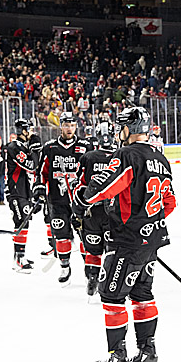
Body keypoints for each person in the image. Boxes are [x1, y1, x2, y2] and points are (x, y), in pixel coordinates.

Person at [73, 106, 176, 362]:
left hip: (127, 240)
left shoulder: (126, 155)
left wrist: (82, 198)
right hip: (152, 240)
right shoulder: (160, 158)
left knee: (111, 294)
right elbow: (170, 202)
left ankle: (117, 357)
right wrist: (149, 222)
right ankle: (146, 354)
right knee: (142, 294)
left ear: (128, 129)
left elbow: (107, 186)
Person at [38, 111, 93, 286]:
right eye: (66, 125)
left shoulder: (85, 147)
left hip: (80, 201)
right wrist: (39, 188)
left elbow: (92, 173)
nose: (69, 128)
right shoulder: (50, 148)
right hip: (57, 200)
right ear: (61, 125)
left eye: (72, 125)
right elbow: (41, 172)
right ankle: (65, 266)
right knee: (61, 234)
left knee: (85, 235)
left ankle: (90, 268)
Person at [74, 121, 118, 297]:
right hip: (113, 213)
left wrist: (77, 209)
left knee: (93, 249)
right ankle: (110, 281)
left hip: (91, 211)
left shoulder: (88, 157)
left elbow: (79, 185)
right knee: (112, 249)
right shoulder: (119, 156)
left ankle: (93, 277)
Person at [5, 118, 41, 273]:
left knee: (24, 223)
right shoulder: (14, 147)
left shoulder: (22, 146)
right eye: (29, 130)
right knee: (21, 223)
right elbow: (32, 165)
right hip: (16, 192)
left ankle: (19, 255)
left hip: (24, 192)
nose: (31, 133)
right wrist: (35, 150)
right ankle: (19, 259)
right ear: (23, 131)